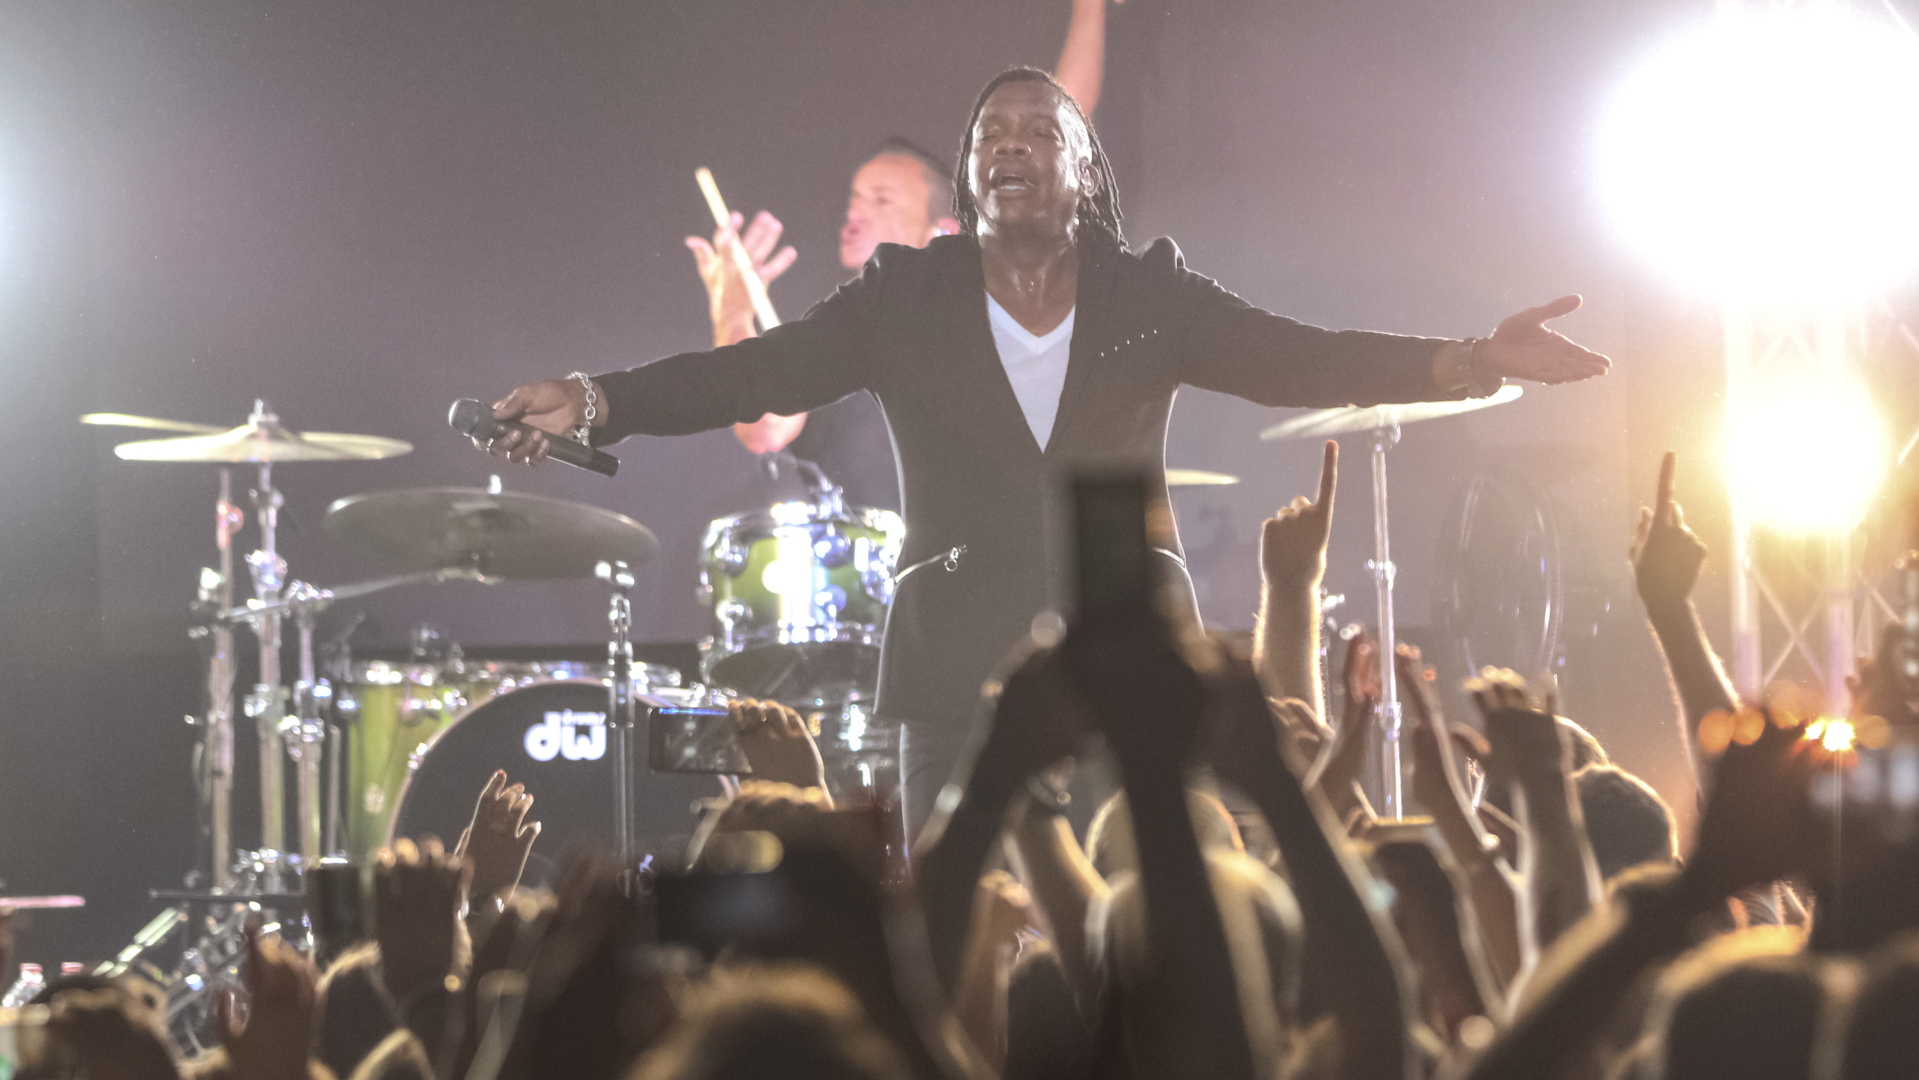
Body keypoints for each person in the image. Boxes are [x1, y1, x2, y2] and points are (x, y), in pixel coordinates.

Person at [478, 67, 1611, 840]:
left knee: (1135, 935)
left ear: (1080, 172)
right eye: (989, 140)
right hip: (948, 665)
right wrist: (591, 400)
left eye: (1036, 134)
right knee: (964, 931)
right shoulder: (902, 296)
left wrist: (1466, 358)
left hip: (1122, 653)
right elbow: (749, 379)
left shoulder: (1146, 292)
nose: (1009, 147)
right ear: (970, 185)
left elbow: (1296, 358)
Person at [685, 0, 1122, 508]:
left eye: (882, 199)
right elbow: (765, 431)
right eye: (854, 197)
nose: (856, 211)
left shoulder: (979, 305)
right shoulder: (840, 329)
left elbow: (1059, 130)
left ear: (942, 230)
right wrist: (732, 311)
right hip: (865, 579)